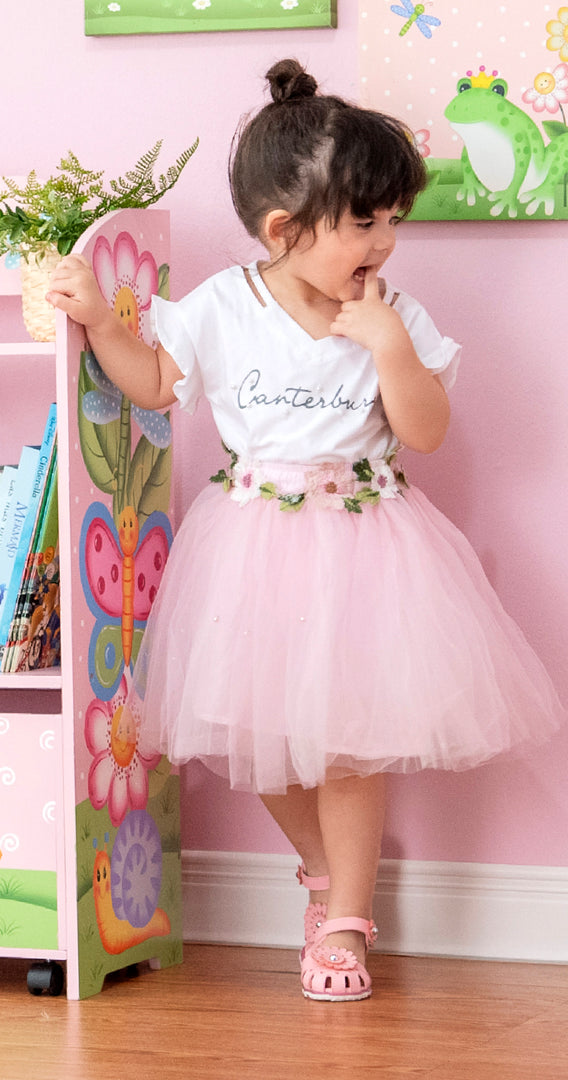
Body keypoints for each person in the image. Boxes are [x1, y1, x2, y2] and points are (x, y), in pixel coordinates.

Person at [46, 58, 565, 1002]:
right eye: (367, 222)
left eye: (394, 219)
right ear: (285, 230)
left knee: (348, 744)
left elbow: (427, 433)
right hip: (253, 546)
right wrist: (97, 324)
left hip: (369, 543)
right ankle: (324, 873)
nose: (387, 242)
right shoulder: (222, 308)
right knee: (261, 737)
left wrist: (392, 348)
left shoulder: (394, 315)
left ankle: (347, 924)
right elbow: (159, 386)